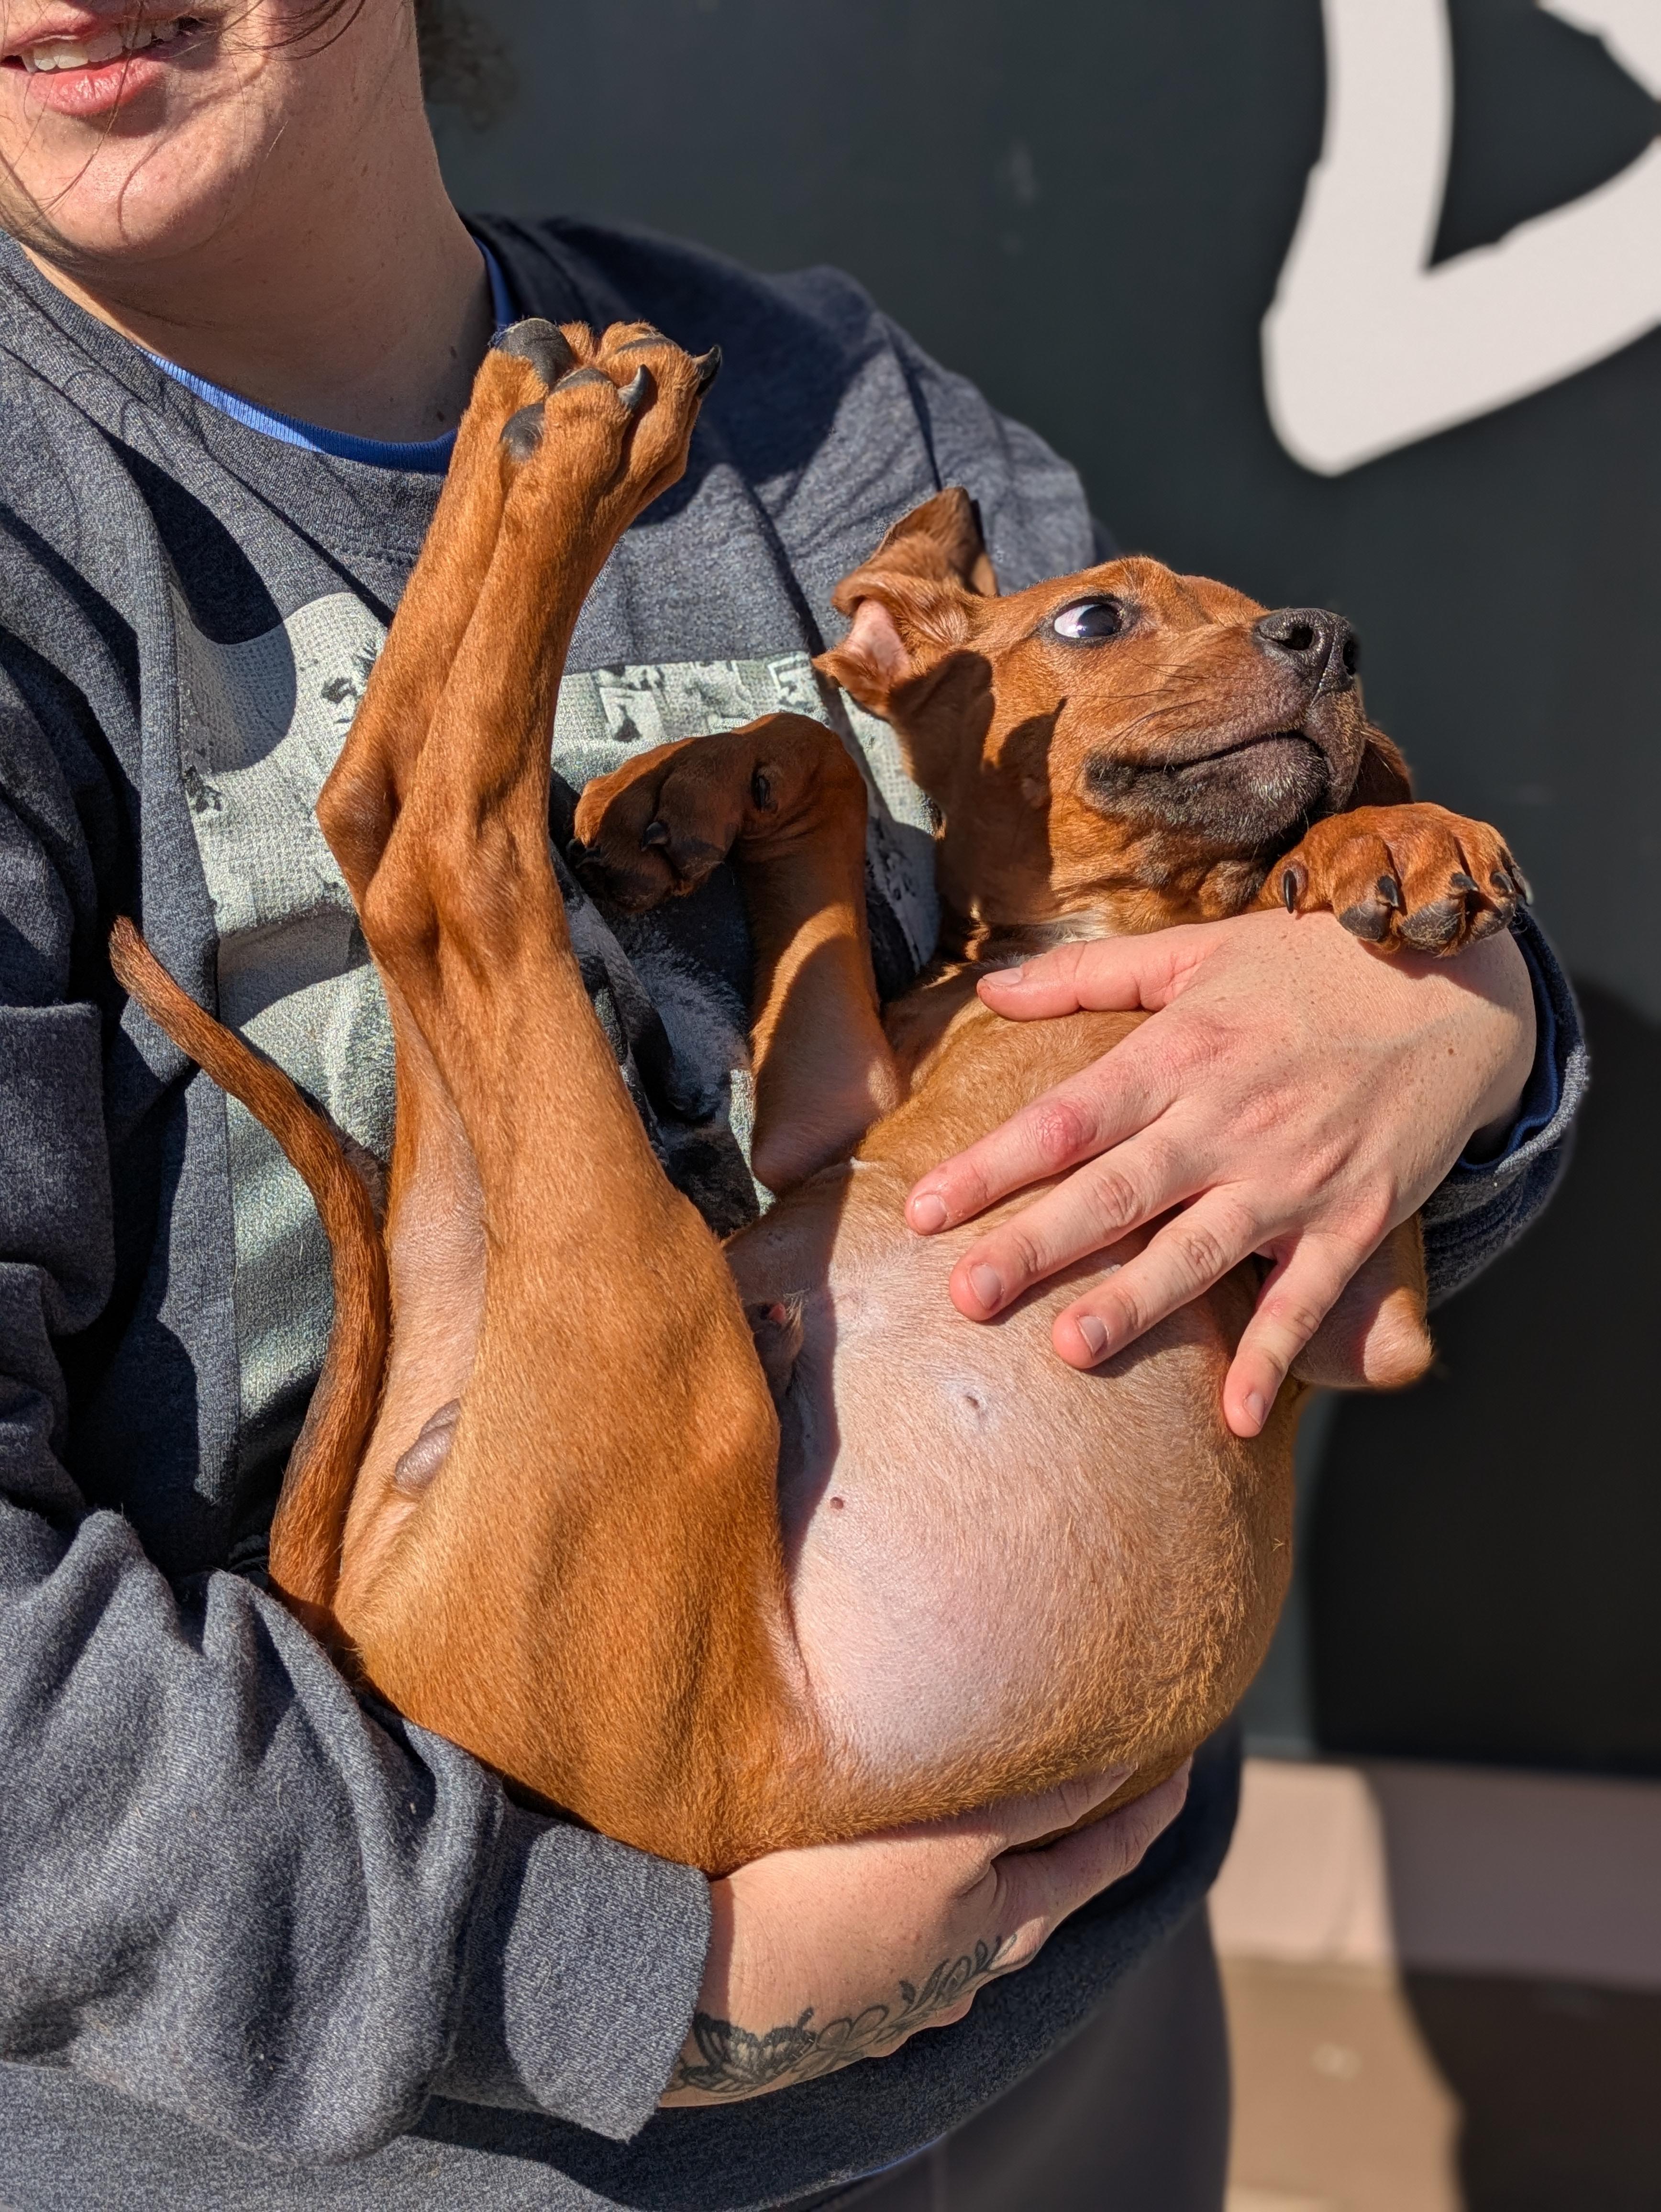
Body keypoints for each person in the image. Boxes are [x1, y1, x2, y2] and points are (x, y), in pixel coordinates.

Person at [0, 3, 1583, 2208]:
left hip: (1048, 2070)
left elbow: (1162, 977)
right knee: (504, 1042)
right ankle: (447, 831)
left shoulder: (824, 411)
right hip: (423, 2131)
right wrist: (628, 1972)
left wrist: (1454, 1015)